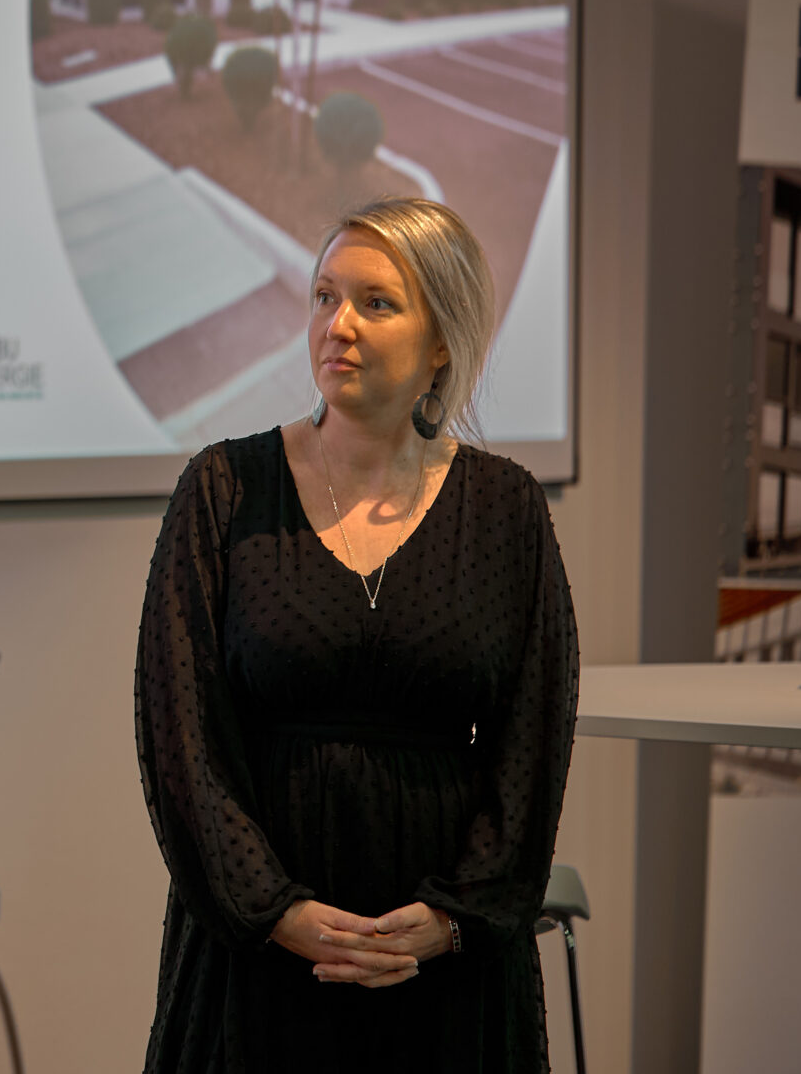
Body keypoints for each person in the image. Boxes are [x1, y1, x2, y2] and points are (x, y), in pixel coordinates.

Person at [134, 197, 577, 1072]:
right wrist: (274, 910)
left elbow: (536, 738)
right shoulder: (222, 489)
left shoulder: (506, 507)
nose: (337, 324)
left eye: (375, 302)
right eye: (325, 296)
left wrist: (456, 915)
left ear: (441, 341)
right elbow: (180, 737)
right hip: (258, 965)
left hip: (442, 970)